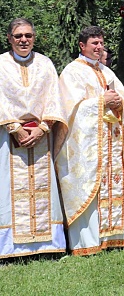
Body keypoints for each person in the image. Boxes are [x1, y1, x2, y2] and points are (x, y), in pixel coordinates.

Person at [56, 26, 124, 255]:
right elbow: (71, 109)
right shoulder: (72, 72)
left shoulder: (107, 72)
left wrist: (119, 104)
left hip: (110, 142)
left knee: (111, 186)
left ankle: (113, 238)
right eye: (94, 44)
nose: (99, 48)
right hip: (86, 146)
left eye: (101, 43)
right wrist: (102, 102)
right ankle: (86, 242)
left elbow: (122, 99)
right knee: (90, 186)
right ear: (82, 46)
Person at [0, 18, 67, 259]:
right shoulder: (1, 64)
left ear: (34, 38)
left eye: (28, 35)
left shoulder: (45, 64)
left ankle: (47, 245)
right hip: (7, 138)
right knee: (7, 190)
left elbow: (54, 97)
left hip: (42, 136)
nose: (23, 40)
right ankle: (10, 249)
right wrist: (14, 127)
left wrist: (43, 127)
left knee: (44, 187)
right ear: (9, 38)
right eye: (18, 36)